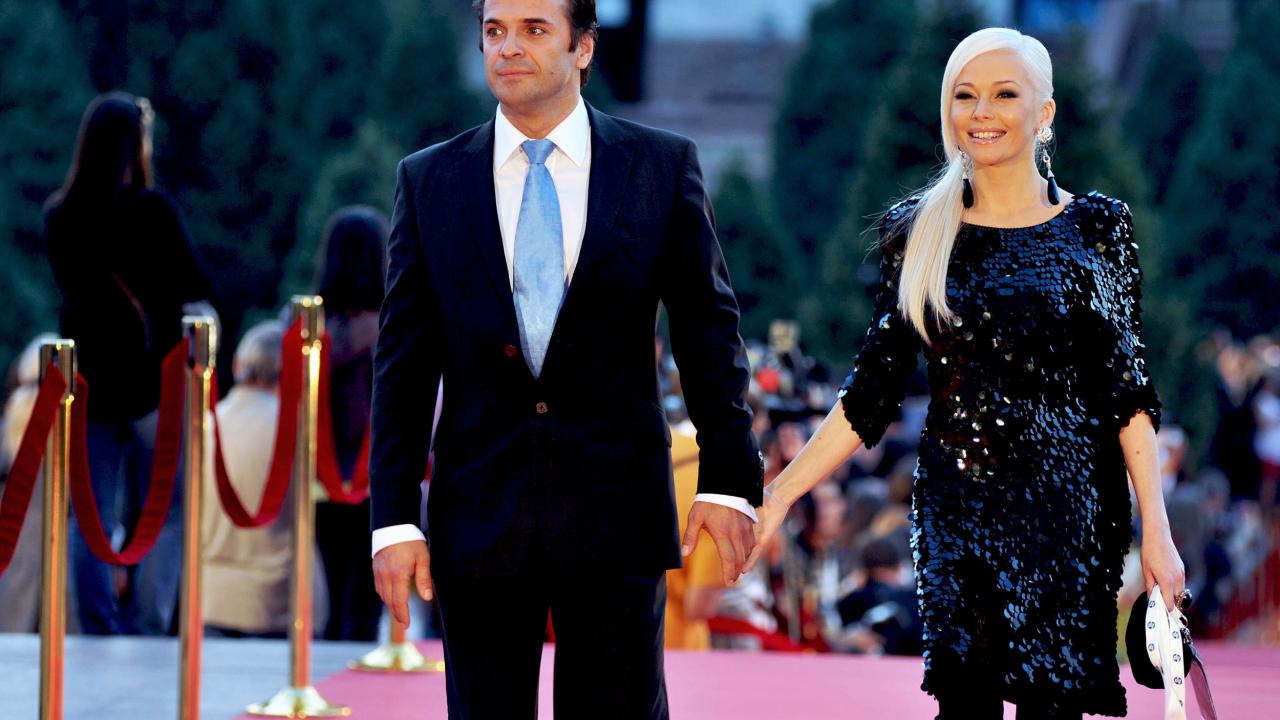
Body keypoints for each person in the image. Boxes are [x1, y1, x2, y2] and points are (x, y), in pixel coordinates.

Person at [748, 28, 1185, 720]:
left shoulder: (1097, 227)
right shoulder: (917, 231)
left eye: (1004, 94)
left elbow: (1126, 390)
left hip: (1071, 515)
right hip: (957, 512)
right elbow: (870, 393)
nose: (981, 112)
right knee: (964, 708)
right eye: (964, 95)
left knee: (1052, 708)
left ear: (1044, 112)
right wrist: (777, 497)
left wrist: (1156, 530)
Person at [369, 0, 762, 716]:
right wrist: (394, 519)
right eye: (494, 31)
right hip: (478, 516)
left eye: (534, 29)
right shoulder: (429, 180)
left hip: (618, 513)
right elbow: (403, 365)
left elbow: (708, 332)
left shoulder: (660, 165)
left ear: (584, 47)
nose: (508, 47)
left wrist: (729, 481)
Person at [45, 91, 215, 635]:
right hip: (152, 382)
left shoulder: (60, 216)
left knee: (89, 514)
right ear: (136, 143)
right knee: (168, 508)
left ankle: (97, 625)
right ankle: (148, 624)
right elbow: (195, 282)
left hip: (89, 384)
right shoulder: (153, 211)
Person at [312, 207, 386, 641]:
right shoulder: (393, 324)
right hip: (378, 471)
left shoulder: (306, 328)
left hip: (320, 472)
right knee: (367, 594)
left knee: (333, 586)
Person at [201, 320, 297, 638]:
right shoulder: (295, 428)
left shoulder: (207, 423)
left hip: (211, 596)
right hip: (276, 599)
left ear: (237, 364)